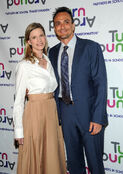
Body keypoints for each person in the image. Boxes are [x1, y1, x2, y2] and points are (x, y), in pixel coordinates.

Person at [49, 7, 108, 174]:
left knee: (95, 164)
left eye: (66, 22)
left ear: (73, 25)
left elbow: (100, 84)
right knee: (74, 164)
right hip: (65, 114)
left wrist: (98, 118)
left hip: (89, 115)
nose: (62, 27)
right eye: (57, 24)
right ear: (54, 28)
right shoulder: (52, 52)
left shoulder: (91, 47)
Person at [13, 22, 66, 174]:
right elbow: (18, 102)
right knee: (35, 158)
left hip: (52, 113)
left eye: (41, 35)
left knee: (52, 157)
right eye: (34, 37)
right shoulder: (24, 65)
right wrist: (18, 131)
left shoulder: (49, 61)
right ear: (28, 42)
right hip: (34, 114)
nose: (39, 40)